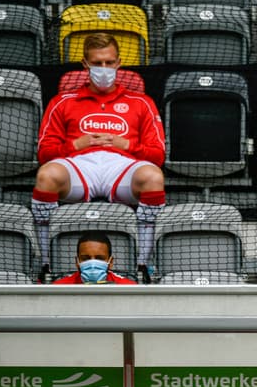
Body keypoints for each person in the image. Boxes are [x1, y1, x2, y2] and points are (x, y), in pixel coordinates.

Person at [33, 33, 166, 281]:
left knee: (153, 177)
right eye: (97, 63)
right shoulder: (62, 101)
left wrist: (128, 144)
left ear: (118, 62)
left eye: (109, 62)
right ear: (85, 64)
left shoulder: (141, 102)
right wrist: (75, 144)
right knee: (46, 175)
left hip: (122, 164)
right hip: (79, 164)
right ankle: (46, 264)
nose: (103, 69)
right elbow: (45, 153)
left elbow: (157, 155)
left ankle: (143, 264)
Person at [51, 231, 137, 285]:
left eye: (99, 258)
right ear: (77, 262)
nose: (92, 264)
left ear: (110, 262)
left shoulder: (127, 287)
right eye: (85, 258)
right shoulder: (60, 287)